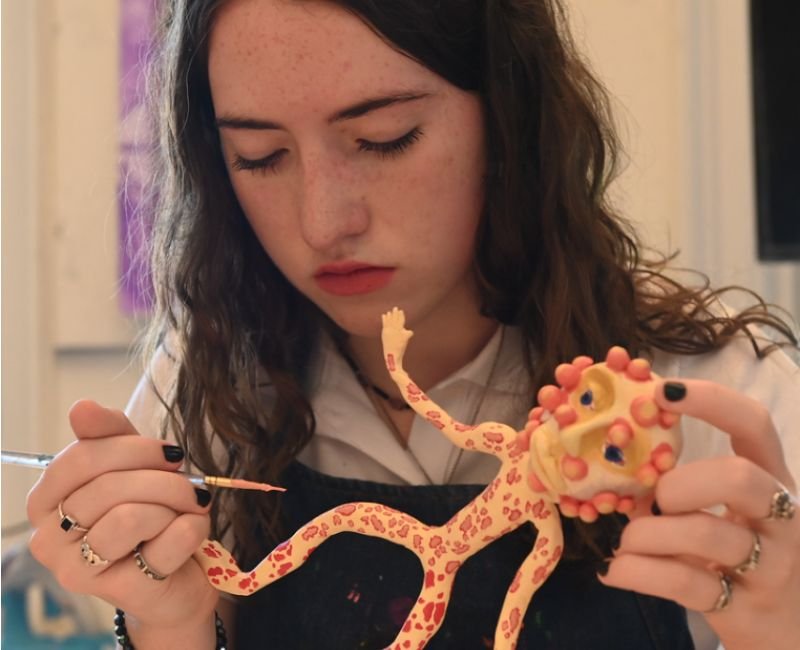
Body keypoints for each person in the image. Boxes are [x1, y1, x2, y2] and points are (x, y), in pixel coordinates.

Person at [26, 0, 800, 648]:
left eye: (383, 139)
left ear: (510, 119)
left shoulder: (718, 400)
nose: (324, 221)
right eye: (261, 156)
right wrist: (168, 624)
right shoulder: (208, 387)